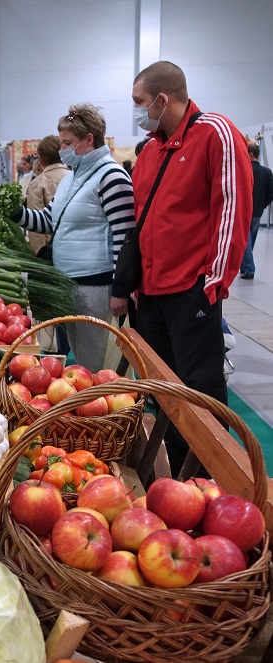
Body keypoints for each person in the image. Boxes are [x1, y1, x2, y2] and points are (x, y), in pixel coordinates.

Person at [124, 60, 252, 476]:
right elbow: (143, 219)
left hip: (191, 290)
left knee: (201, 392)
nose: (137, 112)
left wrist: (213, 283)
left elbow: (232, 209)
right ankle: (177, 477)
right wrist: (137, 282)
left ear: (162, 99)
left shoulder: (214, 132)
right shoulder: (149, 152)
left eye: (139, 103)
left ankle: (210, 481)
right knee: (164, 392)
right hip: (152, 294)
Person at [13, 103, 136, 373]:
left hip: (96, 287)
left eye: (68, 143)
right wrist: (15, 212)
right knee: (80, 361)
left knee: (94, 363)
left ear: (89, 139)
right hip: (68, 284)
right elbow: (48, 221)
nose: (62, 150)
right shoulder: (71, 178)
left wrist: (120, 289)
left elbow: (125, 238)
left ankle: (98, 411)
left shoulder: (112, 176)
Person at [26, 135, 68, 253]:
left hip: (51, 249)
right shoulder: (75, 178)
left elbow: (36, 227)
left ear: (41, 160)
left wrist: (40, 253)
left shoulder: (37, 184)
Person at [239, 143, 273, 280]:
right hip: (258, 212)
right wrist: (263, 205)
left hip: (245, 210)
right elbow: (271, 194)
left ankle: (249, 268)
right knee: (250, 241)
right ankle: (245, 266)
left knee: (245, 240)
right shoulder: (267, 172)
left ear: (251, 154)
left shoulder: (244, 169)